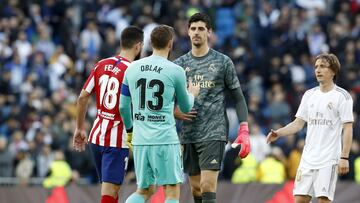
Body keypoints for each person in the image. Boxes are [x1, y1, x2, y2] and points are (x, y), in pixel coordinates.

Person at [173, 13, 250, 203]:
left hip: (214, 131)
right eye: (193, 29)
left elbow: (238, 97)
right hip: (189, 133)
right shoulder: (178, 65)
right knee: (196, 188)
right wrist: (175, 112)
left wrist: (244, 127)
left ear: (209, 32)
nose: (197, 33)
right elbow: (167, 102)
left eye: (201, 29)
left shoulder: (223, 62)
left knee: (208, 185)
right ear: (188, 32)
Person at [119, 24, 200, 203]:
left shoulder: (132, 68)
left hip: (140, 140)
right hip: (164, 138)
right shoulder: (175, 70)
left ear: (150, 42)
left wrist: (131, 131)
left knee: (143, 191)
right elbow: (186, 108)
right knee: (171, 192)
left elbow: (123, 106)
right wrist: (192, 93)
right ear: (170, 43)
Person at [267, 53, 353, 203]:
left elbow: (348, 128)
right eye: (316, 67)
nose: (318, 70)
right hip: (308, 157)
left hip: (329, 158)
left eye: (322, 66)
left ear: (333, 71)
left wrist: (344, 157)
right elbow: (298, 124)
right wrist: (279, 133)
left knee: (323, 199)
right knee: (300, 199)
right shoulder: (309, 95)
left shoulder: (342, 96)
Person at [73, 26, 144, 203]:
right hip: (116, 141)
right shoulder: (134, 71)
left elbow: (82, 97)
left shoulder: (101, 64)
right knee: (109, 193)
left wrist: (80, 128)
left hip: (96, 138)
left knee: (110, 191)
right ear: (139, 46)